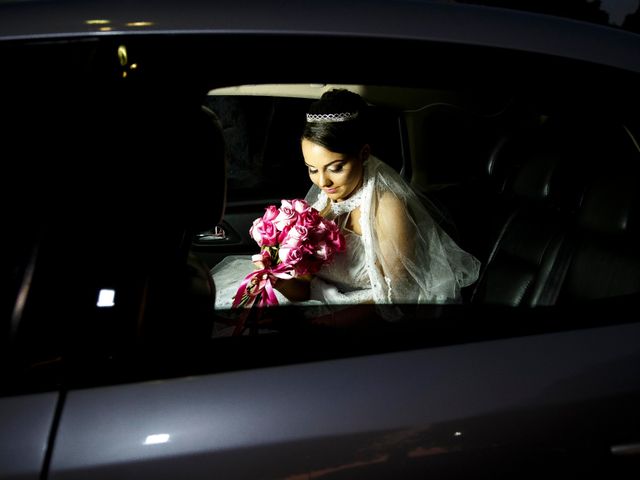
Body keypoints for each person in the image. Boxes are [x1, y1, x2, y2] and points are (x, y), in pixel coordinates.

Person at [210, 89, 480, 328]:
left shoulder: (388, 207)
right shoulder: (325, 201)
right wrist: (277, 282)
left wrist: (322, 324)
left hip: (370, 318)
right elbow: (305, 285)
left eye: (335, 168)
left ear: (363, 154)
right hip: (321, 302)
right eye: (312, 169)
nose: (323, 181)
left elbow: (397, 300)